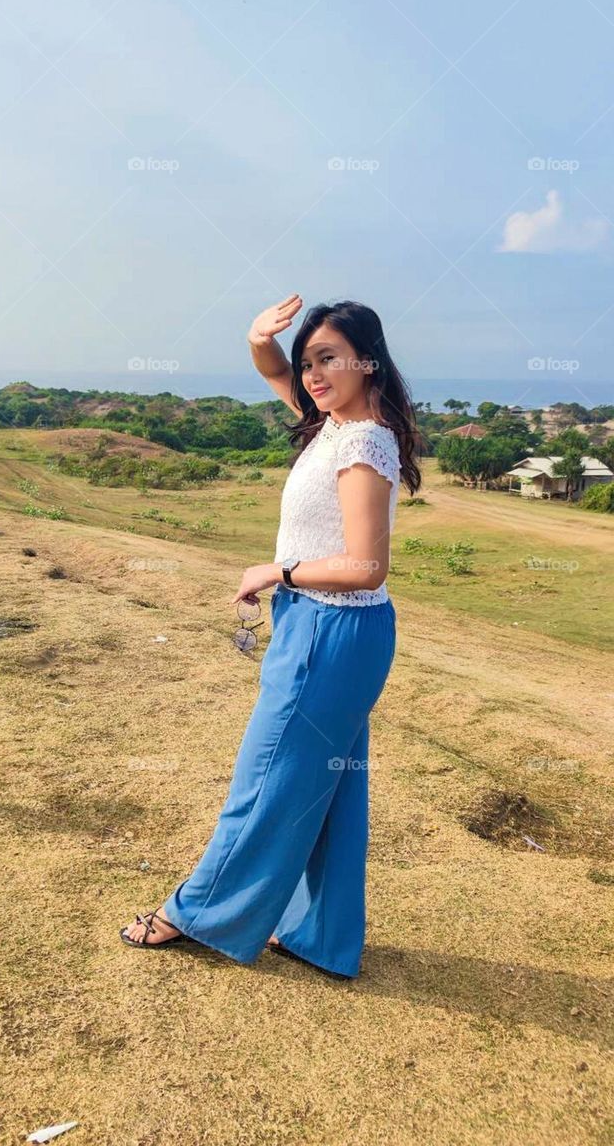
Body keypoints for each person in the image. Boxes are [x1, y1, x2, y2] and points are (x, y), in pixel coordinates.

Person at [120, 295, 422, 978]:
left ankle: (195, 911)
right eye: (307, 361)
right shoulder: (334, 422)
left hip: (331, 628)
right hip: (330, 629)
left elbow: (367, 564)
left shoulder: (363, 442)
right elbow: (271, 371)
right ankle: (319, 932)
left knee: (266, 779)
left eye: (329, 359)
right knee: (329, 787)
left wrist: (277, 569)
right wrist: (260, 338)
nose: (312, 374)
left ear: (367, 360)